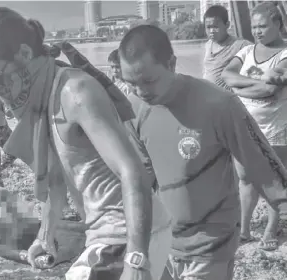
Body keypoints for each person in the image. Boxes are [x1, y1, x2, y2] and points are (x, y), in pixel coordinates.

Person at [0, 7, 173, 280]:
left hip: (126, 236)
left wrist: (136, 259)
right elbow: (54, 178)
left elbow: (132, 171)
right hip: (108, 233)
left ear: (26, 55)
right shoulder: (42, 100)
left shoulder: (75, 92)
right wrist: (45, 235)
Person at [119, 25, 287, 280]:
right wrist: (137, 250)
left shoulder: (218, 105)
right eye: (131, 83)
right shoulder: (134, 109)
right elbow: (140, 184)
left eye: (149, 80)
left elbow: (263, 165)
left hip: (211, 244)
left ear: (172, 63)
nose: (141, 91)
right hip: (163, 242)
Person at [221, 2, 287, 251]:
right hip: (244, 126)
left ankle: (271, 228)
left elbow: (271, 88)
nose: (257, 31)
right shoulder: (247, 50)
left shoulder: (284, 54)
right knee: (245, 178)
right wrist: (255, 84)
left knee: (274, 179)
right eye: (255, 26)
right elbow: (227, 76)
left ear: (278, 24)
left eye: (263, 26)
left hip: (275, 128)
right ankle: (245, 228)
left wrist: (241, 86)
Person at [202, 5, 252, 90]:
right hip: (208, 96)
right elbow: (207, 71)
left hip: (227, 98)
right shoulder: (208, 45)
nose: (211, 31)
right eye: (208, 27)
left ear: (227, 25)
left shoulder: (240, 45)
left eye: (215, 27)